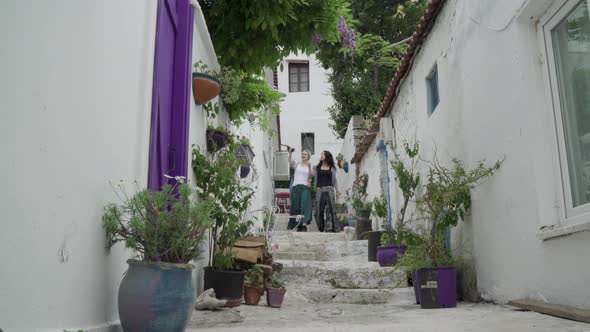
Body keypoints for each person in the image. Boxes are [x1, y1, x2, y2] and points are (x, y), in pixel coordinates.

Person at [287, 146, 313, 231]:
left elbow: (310, 176)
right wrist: (290, 153)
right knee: (295, 206)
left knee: (304, 205)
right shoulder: (297, 163)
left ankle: (303, 224)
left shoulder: (309, 165)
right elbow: (290, 162)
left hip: (305, 187)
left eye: (305, 154)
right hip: (296, 186)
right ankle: (296, 224)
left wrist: (309, 167)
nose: (303, 155)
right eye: (302, 154)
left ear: (308, 156)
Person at [314, 151, 340, 232]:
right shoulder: (317, 168)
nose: (321, 156)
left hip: (329, 189)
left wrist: (338, 190)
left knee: (331, 209)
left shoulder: (332, 168)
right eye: (321, 154)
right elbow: (315, 179)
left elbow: (334, 181)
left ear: (327, 156)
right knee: (319, 209)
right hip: (319, 190)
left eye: (323, 154)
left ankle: (330, 227)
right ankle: (320, 227)